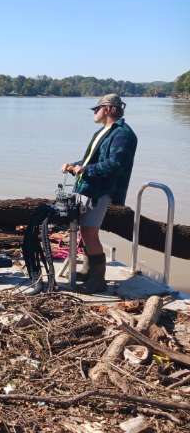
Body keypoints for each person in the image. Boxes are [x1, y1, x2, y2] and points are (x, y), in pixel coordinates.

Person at [61, 94, 137, 293]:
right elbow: (90, 160)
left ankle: (98, 279)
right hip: (88, 188)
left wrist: (85, 170)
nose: (94, 112)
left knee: (89, 232)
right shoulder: (102, 131)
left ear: (109, 108)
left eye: (97, 108)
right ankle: (88, 270)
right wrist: (74, 165)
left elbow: (116, 164)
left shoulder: (123, 134)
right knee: (84, 230)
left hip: (102, 190)